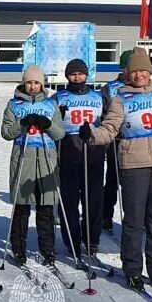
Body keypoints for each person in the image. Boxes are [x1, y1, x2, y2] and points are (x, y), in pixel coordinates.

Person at [81, 47, 152, 292]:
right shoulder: (120, 98)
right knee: (133, 221)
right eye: (134, 71)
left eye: (143, 70)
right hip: (133, 165)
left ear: (150, 72)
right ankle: (133, 270)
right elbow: (110, 129)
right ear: (127, 73)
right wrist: (91, 135)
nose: (139, 75)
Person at [0, 64, 64, 267]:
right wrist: (22, 124)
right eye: (29, 82)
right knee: (22, 206)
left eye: (37, 82)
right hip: (24, 158)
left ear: (42, 84)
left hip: (46, 158)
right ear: (24, 83)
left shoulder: (50, 104)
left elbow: (60, 134)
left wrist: (48, 125)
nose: (33, 86)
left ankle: (47, 249)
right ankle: (18, 247)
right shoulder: (14, 104)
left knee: (46, 208)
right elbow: (6, 132)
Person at [52, 59, 105, 260]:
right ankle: (72, 240)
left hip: (93, 154)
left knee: (93, 200)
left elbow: (106, 123)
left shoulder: (98, 97)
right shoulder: (59, 97)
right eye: (73, 74)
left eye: (80, 74)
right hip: (68, 155)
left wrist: (97, 136)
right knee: (69, 202)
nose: (77, 78)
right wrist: (57, 117)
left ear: (86, 75)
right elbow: (52, 126)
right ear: (67, 76)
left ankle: (91, 240)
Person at [100, 49, 130, 232]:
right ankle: (106, 215)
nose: (130, 72)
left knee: (133, 182)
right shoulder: (110, 88)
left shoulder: (141, 87)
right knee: (112, 178)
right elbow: (102, 113)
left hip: (134, 140)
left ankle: (135, 218)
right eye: (127, 67)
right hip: (115, 140)